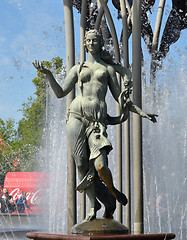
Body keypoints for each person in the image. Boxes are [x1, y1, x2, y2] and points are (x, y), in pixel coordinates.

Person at [33, 29, 157, 221]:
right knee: (81, 164)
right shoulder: (78, 68)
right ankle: (93, 205)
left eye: (95, 41)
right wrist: (48, 75)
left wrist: (142, 112)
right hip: (75, 117)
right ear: (85, 44)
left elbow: (122, 99)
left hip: (97, 123)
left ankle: (112, 191)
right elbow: (60, 93)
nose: (91, 43)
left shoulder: (107, 70)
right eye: (88, 41)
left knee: (100, 166)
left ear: (100, 44)